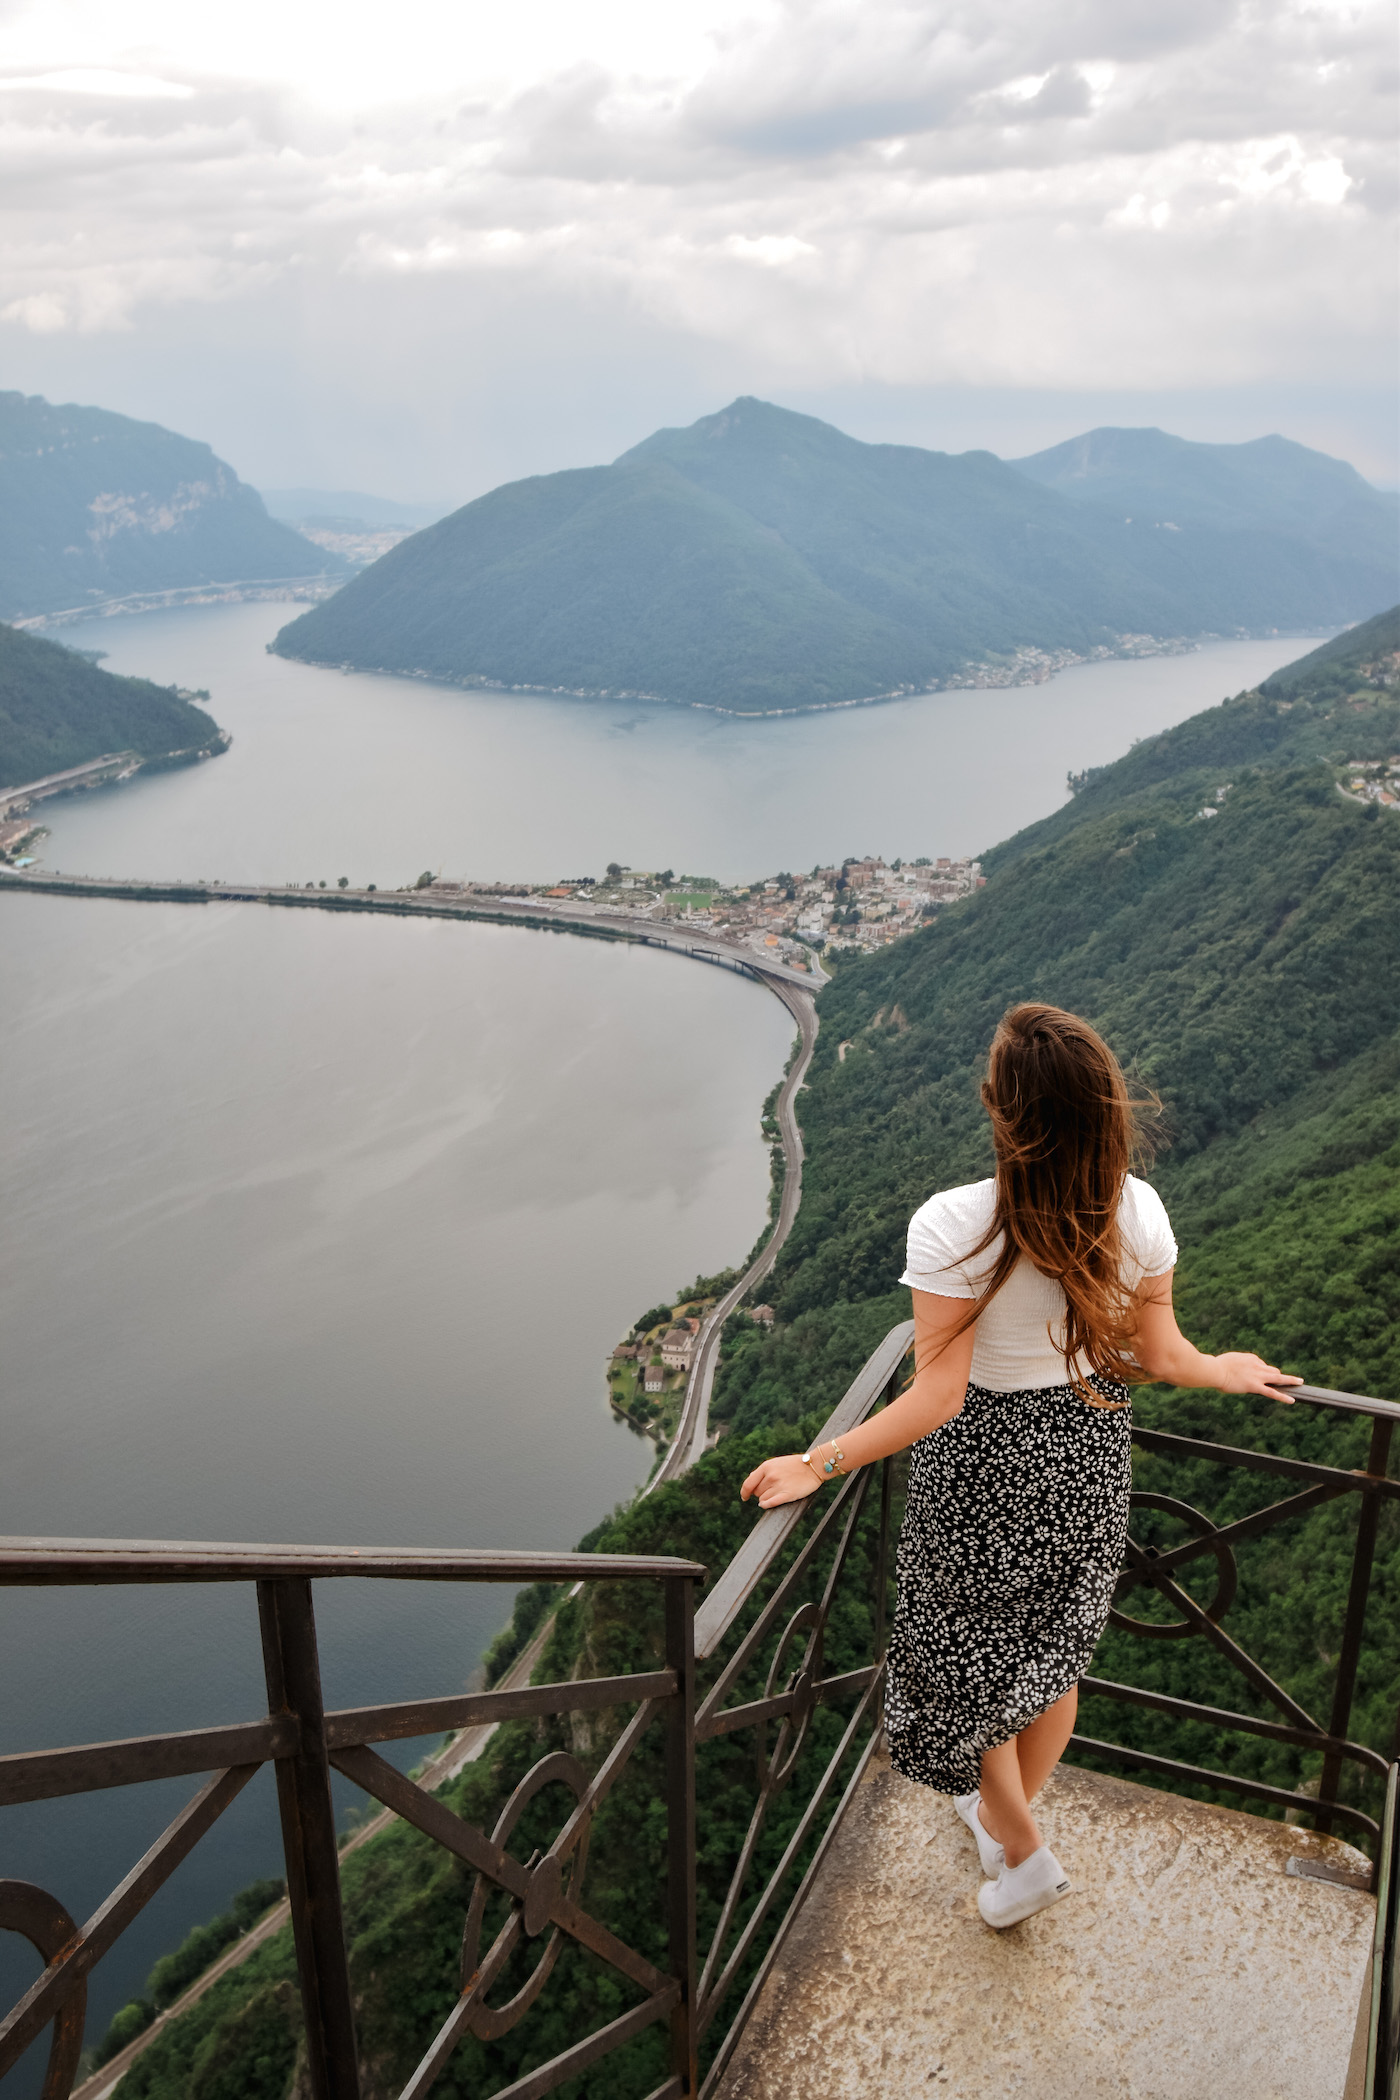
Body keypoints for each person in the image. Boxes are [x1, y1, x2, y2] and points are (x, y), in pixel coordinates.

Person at [740, 1002, 1299, 1929]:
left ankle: (1022, 1847)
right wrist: (1224, 1370)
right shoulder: (1140, 1210)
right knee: (1047, 1662)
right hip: (1084, 1454)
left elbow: (936, 1400)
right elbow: (1162, 1359)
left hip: (981, 1469)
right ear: (1107, 1109)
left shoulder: (956, 1223)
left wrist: (818, 1459)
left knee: (957, 1669)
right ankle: (1006, 1828)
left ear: (1003, 1111)